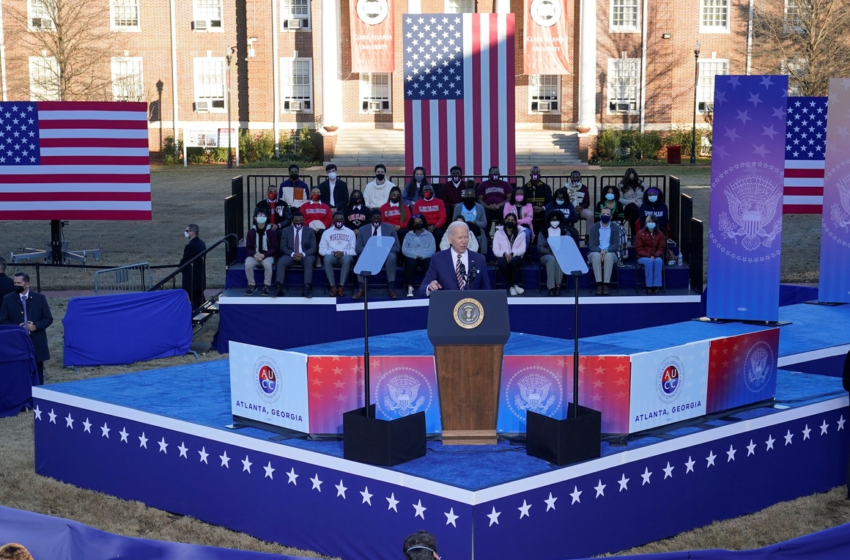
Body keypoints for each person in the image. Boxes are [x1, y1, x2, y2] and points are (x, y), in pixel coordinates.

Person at [0, 272, 53, 385]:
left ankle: (38, 395)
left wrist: (36, 326)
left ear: (27, 283)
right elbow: (3, 320)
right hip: (17, 342)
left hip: (36, 341)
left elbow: (48, 318)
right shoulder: (8, 299)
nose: (16, 285)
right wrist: (16, 328)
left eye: (19, 283)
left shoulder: (40, 298)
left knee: (37, 372)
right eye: (15, 283)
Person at [420, 220, 490, 297]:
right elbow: (422, 289)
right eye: (460, 238)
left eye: (466, 237)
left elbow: (486, 291)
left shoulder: (479, 259)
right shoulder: (438, 259)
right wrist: (429, 288)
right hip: (447, 306)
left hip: (472, 307)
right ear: (450, 239)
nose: (464, 241)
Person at [354, 209, 400, 300]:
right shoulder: (362, 230)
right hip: (369, 253)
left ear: (381, 218)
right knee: (360, 257)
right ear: (370, 218)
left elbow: (397, 247)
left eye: (378, 218)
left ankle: (391, 288)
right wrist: (370, 250)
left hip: (385, 253)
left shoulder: (390, 228)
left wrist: (385, 250)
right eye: (374, 218)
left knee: (391, 257)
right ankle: (361, 289)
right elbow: (358, 248)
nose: (376, 221)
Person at [275, 212, 317, 298]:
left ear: (304, 220)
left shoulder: (310, 231)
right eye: (296, 221)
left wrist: (303, 254)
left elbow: (313, 248)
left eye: (300, 220)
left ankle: (307, 288)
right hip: (290, 255)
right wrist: (293, 253)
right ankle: (279, 287)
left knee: (309, 261)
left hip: (305, 255)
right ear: (292, 221)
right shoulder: (286, 231)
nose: (298, 222)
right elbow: (283, 247)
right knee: (281, 261)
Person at [538, 210, 579, 296]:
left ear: (560, 221)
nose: (554, 222)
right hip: (546, 256)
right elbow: (540, 247)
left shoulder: (565, 232)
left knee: (560, 259)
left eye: (556, 220)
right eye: (552, 220)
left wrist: (559, 253)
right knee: (552, 260)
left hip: (561, 255)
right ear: (549, 221)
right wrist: (549, 251)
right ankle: (551, 287)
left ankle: (558, 286)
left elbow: (568, 247)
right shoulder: (543, 232)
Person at [319, 212, 357, 297]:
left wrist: (343, 253)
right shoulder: (326, 232)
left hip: (346, 255)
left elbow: (354, 251)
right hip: (332, 255)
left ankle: (341, 287)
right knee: (327, 259)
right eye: (337, 219)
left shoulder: (350, 232)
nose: (339, 221)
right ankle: (333, 287)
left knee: (347, 259)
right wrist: (332, 252)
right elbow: (321, 250)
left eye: (341, 219)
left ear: (344, 220)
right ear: (333, 220)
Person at [588, 207, 623, 295]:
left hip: (610, 252)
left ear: (611, 217)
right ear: (600, 215)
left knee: (608, 256)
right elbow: (591, 245)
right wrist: (600, 251)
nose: (605, 215)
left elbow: (615, 245)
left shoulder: (615, 227)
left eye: (607, 214)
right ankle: (599, 284)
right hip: (596, 252)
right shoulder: (593, 227)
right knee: (596, 255)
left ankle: (606, 284)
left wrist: (606, 251)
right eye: (603, 214)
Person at [244, 208, 279, 296]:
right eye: (259, 216)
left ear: (267, 218)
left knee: (267, 265)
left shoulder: (271, 232)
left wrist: (264, 255)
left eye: (263, 216)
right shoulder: (251, 232)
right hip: (255, 255)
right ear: (255, 218)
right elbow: (248, 247)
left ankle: (266, 285)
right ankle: (252, 285)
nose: (261, 217)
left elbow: (274, 247)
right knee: (248, 264)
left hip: (268, 256)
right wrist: (254, 254)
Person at [402, 214, 436, 297]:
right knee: (410, 263)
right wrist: (415, 255)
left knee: (428, 264)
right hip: (413, 256)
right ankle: (410, 287)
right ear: (413, 224)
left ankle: (429, 287)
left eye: (420, 222)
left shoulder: (429, 235)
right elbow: (404, 249)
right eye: (416, 222)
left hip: (425, 256)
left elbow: (432, 249)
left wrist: (423, 255)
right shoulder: (408, 235)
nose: (418, 223)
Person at [493, 214, 527, 296]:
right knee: (502, 263)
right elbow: (495, 249)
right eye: (508, 219)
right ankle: (513, 286)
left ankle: (511, 286)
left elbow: (523, 249)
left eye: (512, 220)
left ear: (515, 222)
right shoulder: (498, 233)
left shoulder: (521, 233)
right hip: (503, 256)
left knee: (512, 262)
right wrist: (504, 254)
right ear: (505, 221)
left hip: (516, 256)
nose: (510, 221)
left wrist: (512, 254)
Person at [594, 185, 628, 265]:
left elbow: (621, 218)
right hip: (602, 224)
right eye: (608, 192)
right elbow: (596, 218)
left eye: (612, 193)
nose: (610, 194)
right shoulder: (600, 204)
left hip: (616, 225)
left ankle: (619, 257)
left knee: (619, 233)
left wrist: (611, 224)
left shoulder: (619, 204)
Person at [453, 185, 488, 255]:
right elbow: (453, 222)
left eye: (471, 194)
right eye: (467, 194)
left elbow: (484, 223)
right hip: (461, 228)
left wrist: (474, 222)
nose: (470, 196)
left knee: (469, 225)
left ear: (475, 196)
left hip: (475, 228)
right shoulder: (458, 207)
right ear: (464, 196)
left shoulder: (480, 207)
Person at [635, 215, 666, 294]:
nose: (651, 223)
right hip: (643, 257)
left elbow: (661, 248)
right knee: (649, 262)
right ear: (646, 223)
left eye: (652, 222)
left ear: (656, 223)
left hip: (656, 256)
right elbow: (639, 249)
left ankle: (656, 286)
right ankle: (649, 286)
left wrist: (654, 256)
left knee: (658, 261)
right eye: (649, 222)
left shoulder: (660, 234)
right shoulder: (640, 234)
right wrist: (649, 256)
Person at [477, 166, 512, 234]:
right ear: (489, 175)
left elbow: (509, 198)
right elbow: (479, 199)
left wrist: (499, 205)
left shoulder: (505, 184)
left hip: (501, 207)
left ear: (499, 174)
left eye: (497, 172)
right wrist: (487, 206)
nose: (495, 174)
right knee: (483, 215)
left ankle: (503, 235)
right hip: (487, 208)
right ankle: (486, 238)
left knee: (506, 214)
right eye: (493, 172)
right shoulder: (483, 184)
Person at [180, 224, 206, 310]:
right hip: (199, 277)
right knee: (199, 299)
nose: (186, 233)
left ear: (192, 232)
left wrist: (180, 267)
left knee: (195, 301)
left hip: (192, 279)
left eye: (187, 231)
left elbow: (185, 260)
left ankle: (195, 317)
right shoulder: (202, 243)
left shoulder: (190, 246)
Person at [523, 166, 553, 235]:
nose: (535, 174)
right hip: (529, 211)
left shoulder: (546, 187)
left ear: (539, 175)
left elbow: (549, 201)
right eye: (533, 173)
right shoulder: (525, 187)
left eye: (537, 173)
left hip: (542, 211)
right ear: (530, 175)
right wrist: (530, 209)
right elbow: (523, 201)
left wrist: (542, 208)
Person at [564, 170, 592, 240]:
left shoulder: (584, 188)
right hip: (569, 209)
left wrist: (581, 207)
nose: (575, 179)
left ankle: (588, 236)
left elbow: (587, 201)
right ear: (570, 178)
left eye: (577, 177)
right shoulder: (565, 188)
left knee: (589, 215)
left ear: (580, 178)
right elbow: (563, 200)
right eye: (573, 177)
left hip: (580, 209)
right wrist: (572, 208)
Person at [618, 168, 645, 238]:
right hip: (628, 207)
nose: (632, 179)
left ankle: (639, 235)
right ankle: (634, 235)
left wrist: (641, 203)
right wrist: (630, 201)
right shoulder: (622, 185)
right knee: (633, 206)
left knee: (636, 212)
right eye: (630, 177)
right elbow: (619, 199)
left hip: (640, 206)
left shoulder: (642, 184)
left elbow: (646, 196)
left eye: (633, 177)